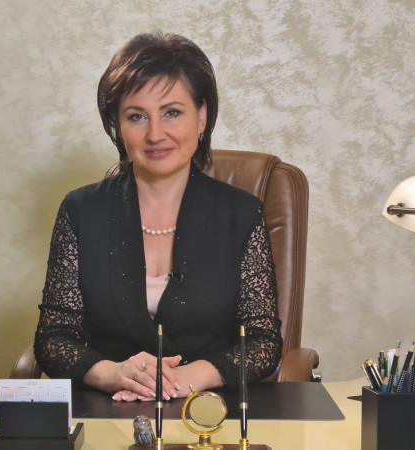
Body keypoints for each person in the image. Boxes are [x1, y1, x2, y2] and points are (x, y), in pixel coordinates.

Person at [34, 32, 282, 402]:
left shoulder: (242, 214)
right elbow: (54, 337)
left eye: (172, 113)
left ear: (201, 117)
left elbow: (262, 341)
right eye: (137, 116)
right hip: (110, 407)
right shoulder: (80, 210)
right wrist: (113, 374)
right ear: (118, 126)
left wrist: (182, 379)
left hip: (209, 410)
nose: (155, 134)